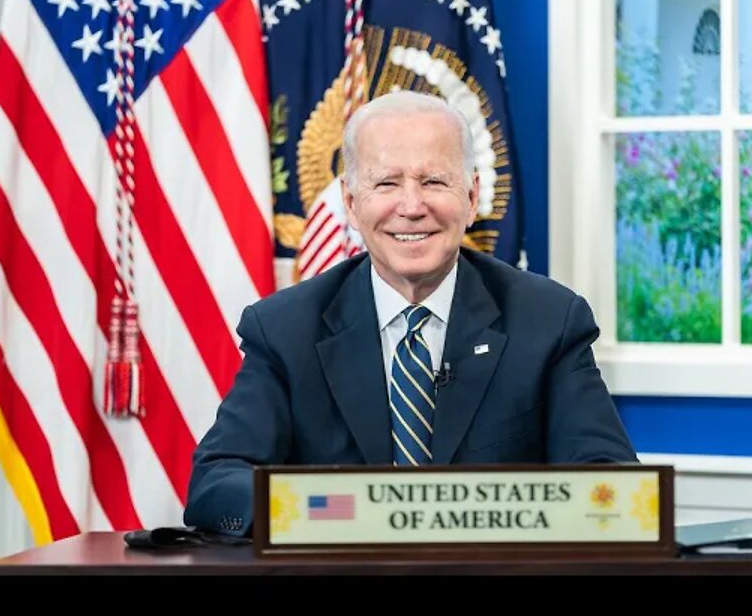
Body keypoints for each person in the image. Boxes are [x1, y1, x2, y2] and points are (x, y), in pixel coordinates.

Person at [184, 90, 635, 536]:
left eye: (435, 181)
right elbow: (217, 483)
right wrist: (348, 513)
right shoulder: (286, 329)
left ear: (473, 194)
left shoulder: (549, 321)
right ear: (351, 201)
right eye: (386, 183)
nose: (412, 207)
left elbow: (610, 486)